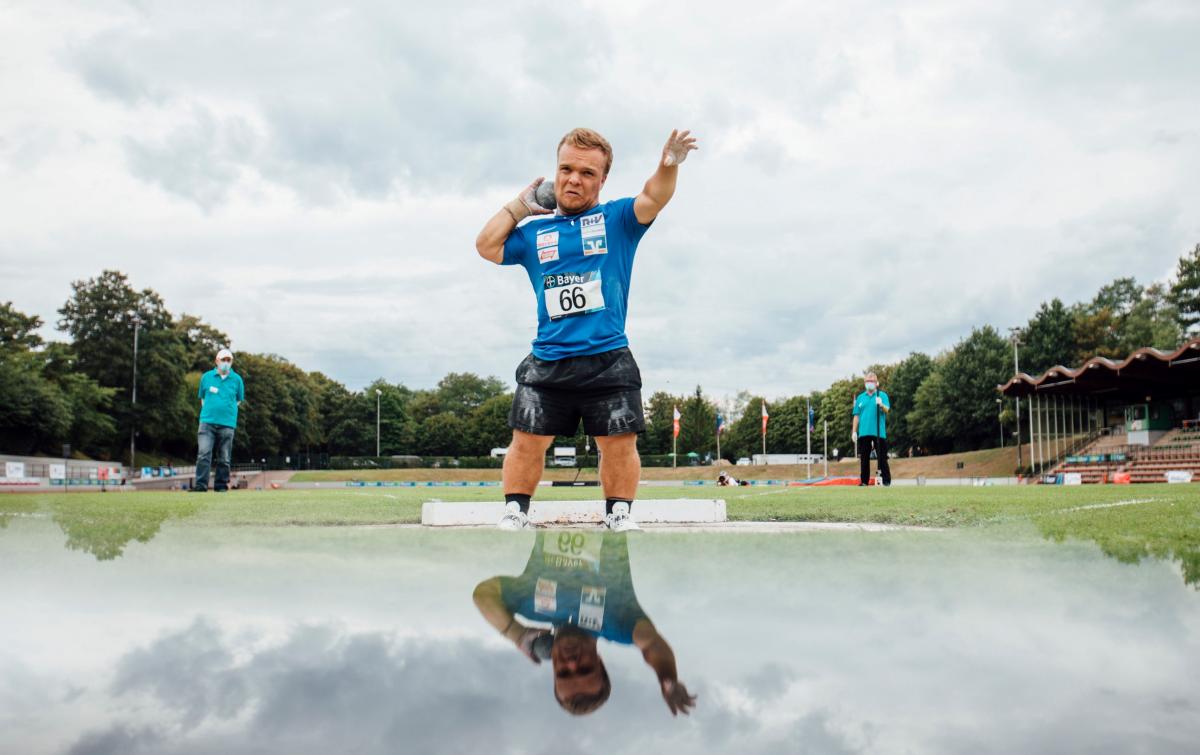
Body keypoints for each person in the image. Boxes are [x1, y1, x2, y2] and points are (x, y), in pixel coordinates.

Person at [475, 127, 698, 531]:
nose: (574, 179)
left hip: (608, 359)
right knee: (526, 440)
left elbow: (655, 196)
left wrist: (669, 166)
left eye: (587, 173)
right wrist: (520, 207)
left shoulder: (617, 220)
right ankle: (515, 512)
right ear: (554, 173)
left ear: (602, 179)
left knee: (618, 442)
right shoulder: (534, 234)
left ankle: (618, 512)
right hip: (548, 360)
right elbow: (486, 246)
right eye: (566, 169)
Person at [472, 531, 697, 717]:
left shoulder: (533, 606)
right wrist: (668, 679)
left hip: (557, 502)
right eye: (585, 669)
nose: (571, 664)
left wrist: (518, 635)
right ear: (600, 662)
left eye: (563, 673)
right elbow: (651, 644)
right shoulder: (618, 621)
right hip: (606, 500)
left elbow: (484, 594)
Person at [193, 348, 244, 493]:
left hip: (227, 424)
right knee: (203, 454)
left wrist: (226, 410)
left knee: (224, 457)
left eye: (229, 360)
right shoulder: (206, 377)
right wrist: (211, 410)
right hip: (207, 422)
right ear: (217, 361)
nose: (226, 363)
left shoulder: (237, 379)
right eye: (223, 360)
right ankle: (200, 485)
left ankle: (221, 486)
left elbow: (238, 400)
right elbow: (202, 397)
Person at [851, 371, 890, 486]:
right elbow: (856, 416)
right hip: (864, 432)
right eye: (868, 380)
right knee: (864, 458)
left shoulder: (882, 395)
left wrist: (881, 405)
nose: (870, 383)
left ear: (876, 383)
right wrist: (854, 431)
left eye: (872, 381)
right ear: (865, 383)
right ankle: (864, 481)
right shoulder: (860, 398)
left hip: (879, 432)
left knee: (882, 457)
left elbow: (887, 410)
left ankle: (886, 480)